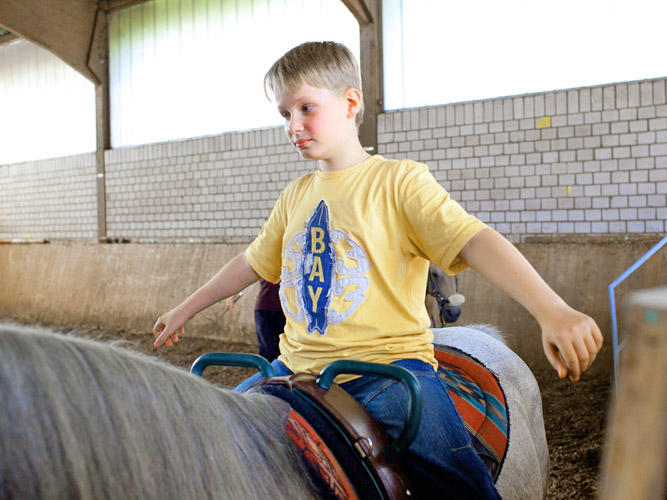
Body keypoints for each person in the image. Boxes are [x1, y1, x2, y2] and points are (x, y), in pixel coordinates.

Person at [153, 41, 603, 499]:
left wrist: (551, 309)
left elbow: (474, 239)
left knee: (458, 481)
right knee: (197, 443)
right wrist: (185, 308)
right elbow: (252, 261)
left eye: (306, 107)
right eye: (284, 114)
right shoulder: (294, 195)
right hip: (293, 371)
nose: (293, 126)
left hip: (386, 374)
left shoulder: (399, 181)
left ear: (351, 102)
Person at [228, 280, 285, 361]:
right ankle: (266, 372)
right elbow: (245, 279)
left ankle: (279, 372)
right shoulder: (265, 268)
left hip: (285, 311)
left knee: (282, 347)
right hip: (264, 310)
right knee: (267, 347)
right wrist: (232, 297)